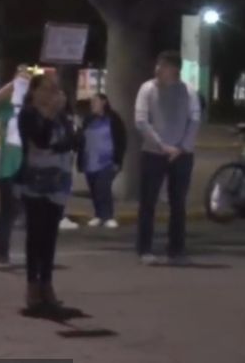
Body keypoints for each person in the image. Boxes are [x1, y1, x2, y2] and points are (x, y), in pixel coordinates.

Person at [135, 50, 201, 266]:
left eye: (163, 66)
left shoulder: (188, 91)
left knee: (178, 204)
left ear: (174, 70)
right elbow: (141, 120)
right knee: (148, 202)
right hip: (153, 153)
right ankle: (144, 248)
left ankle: (177, 249)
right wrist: (161, 145)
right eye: (158, 64)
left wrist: (181, 147)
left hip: (182, 155)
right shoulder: (147, 89)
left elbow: (195, 119)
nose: (158, 69)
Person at [17, 73, 75, 310]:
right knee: (35, 235)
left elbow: (71, 140)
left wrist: (62, 115)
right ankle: (32, 286)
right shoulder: (28, 114)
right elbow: (40, 140)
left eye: (55, 89)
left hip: (58, 178)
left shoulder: (61, 115)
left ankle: (47, 283)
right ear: (34, 91)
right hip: (36, 180)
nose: (51, 93)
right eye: (47, 88)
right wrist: (50, 114)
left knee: (50, 235)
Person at [0, 65, 30, 267]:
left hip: (29, 168)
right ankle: (1, 254)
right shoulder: (7, 109)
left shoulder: (30, 110)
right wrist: (14, 84)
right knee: (7, 213)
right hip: (8, 169)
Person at [77, 93, 127, 229]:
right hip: (90, 161)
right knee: (94, 189)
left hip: (107, 161)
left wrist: (118, 160)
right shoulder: (88, 119)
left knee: (103, 187)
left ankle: (108, 216)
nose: (93, 104)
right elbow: (81, 139)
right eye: (92, 102)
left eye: (96, 101)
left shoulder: (113, 118)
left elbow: (121, 139)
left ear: (104, 102)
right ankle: (98, 215)